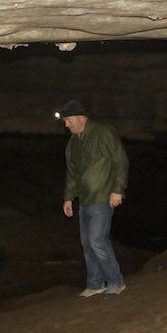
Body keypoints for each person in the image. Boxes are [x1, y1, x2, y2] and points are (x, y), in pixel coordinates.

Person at [55, 99, 129, 297]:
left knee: (97, 240)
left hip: (103, 196)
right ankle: (95, 284)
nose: (66, 124)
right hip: (85, 200)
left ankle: (116, 281)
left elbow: (120, 161)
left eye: (68, 120)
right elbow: (72, 173)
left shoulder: (103, 133)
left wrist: (117, 189)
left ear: (81, 118)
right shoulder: (72, 143)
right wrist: (68, 197)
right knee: (87, 242)